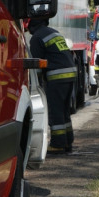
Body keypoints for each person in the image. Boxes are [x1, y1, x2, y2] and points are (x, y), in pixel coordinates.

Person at [27, 18, 76, 153]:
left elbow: (36, 64)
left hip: (57, 77)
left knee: (55, 111)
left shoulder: (37, 38)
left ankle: (58, 144)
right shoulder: (53, 32)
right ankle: (67, 142)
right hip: (69, 74)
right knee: (64, 110)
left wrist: (34, 83)